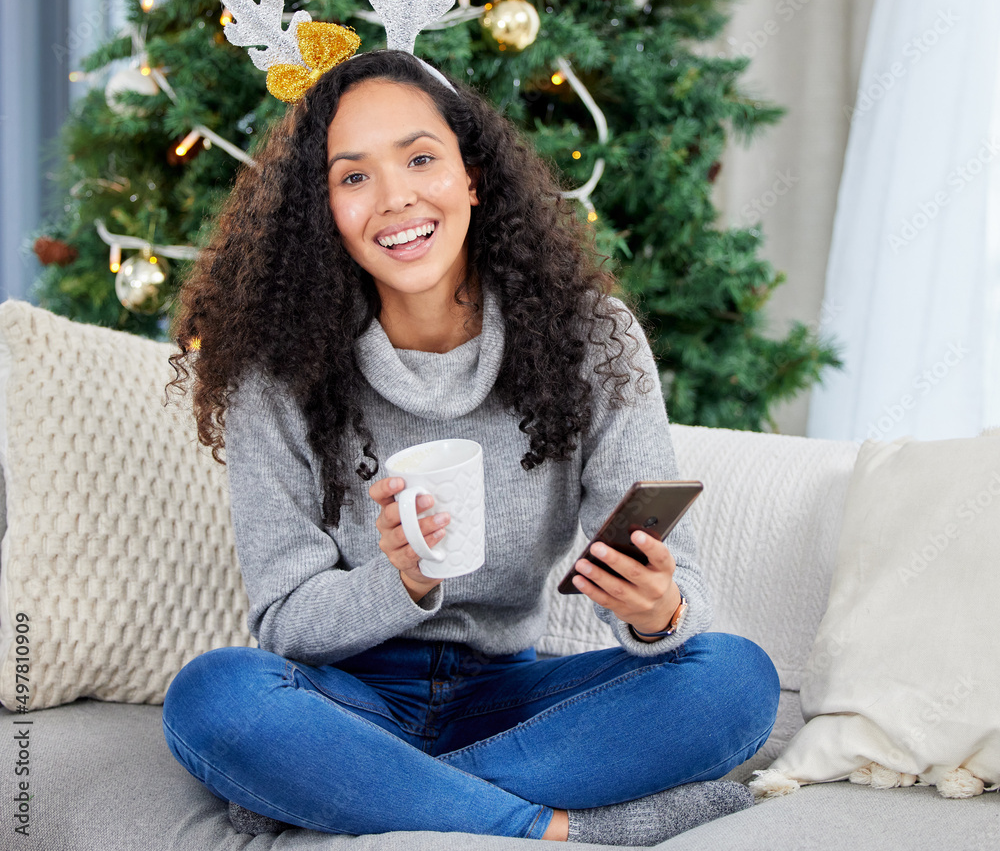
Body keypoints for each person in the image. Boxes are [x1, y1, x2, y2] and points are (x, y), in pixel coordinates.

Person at [161, 47, 780, 845]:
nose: (395, 198)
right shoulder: (272, 371)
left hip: (511, 693)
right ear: (325, 212)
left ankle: (351, 791)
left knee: (736, 681)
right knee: (214, 698)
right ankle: (560, 830)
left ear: (472, 176)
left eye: (421, 158)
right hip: (348, 697)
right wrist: (402, 579)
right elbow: (286, 622)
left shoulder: (590, 338)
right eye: (353, 177)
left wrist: (659, 611)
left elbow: (678, 583)